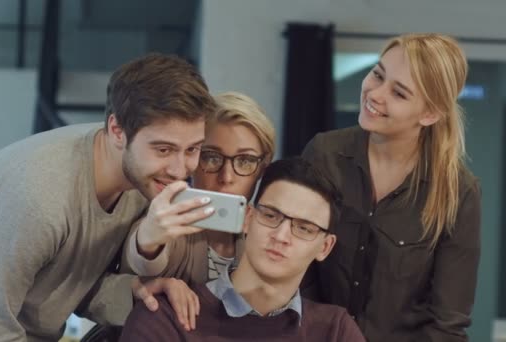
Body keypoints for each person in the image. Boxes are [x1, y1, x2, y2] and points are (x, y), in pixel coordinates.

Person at [0, 53, 216, 341]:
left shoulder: (141, 178)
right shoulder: (41, 200)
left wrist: (133, 291)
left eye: (192, 150)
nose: (179, 170)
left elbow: (64, 286)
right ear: (117, 131)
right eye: (163, 150)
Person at [301, 33, 482, 342]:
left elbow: (447, 325)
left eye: (399, 93)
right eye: (377, 74)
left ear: (429, 114)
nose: (375, 94)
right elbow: (297, 270)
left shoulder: (458, 193)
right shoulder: (324, 154)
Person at [119, 157, 366, 342]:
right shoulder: (166, 318)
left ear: (325, 246)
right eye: (271, 216)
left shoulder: (336, 332)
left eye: (304, 228)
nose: (281, 236)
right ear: (247, 218)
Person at [122, 91, 275, 329]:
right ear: (193, 159)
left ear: (262, 169)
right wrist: (149, 240)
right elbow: (139, 259)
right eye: (212, 157)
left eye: (245, 160)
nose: (227, 177)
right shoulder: (167, 216)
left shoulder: (269, 231)